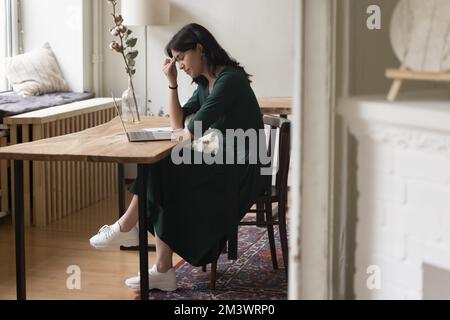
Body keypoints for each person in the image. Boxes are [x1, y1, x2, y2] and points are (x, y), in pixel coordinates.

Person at [89, 23, 270, 291]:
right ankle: (160, 267)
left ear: (200, 49)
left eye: (182, 58)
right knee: (162, 169)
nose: (180, 65)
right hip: (220, 158)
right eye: (176, 60)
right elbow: (177, 126)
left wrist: (183, 134)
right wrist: (172, 83)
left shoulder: (228, 80)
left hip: (244, 167)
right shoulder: (205, 83)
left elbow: (189, 131)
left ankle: (130, 229)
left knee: (163, 167)